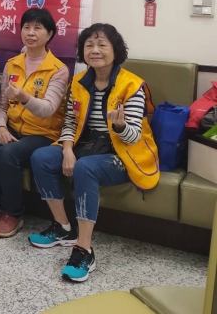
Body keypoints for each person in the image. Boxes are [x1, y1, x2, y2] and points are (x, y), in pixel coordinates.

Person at [28, 23, 159, 282]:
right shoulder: (79, 81)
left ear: (115, 50)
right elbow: (70, 121)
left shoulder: (132, 85)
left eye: (102, 45)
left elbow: (133, 137)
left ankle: (84, 249)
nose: (95, 50)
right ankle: (63, 227)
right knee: (41, 157)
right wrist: (67, 149)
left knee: (85, 167)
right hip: (85, 145)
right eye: (89, 45)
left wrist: (120, 126)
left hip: (122, 153)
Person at [0, 8, 69, 238]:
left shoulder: (59, 70)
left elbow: (48, 109)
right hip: (13, 127)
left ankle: (13, 213)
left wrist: (24, 97)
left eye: (37, 28)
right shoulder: (12, 64)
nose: (30, 33)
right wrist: (0, 127)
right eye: (26, 27)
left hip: (43, 133)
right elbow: (0, 105)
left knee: (8, 153)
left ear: (50, 34)